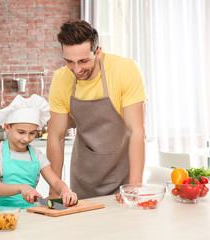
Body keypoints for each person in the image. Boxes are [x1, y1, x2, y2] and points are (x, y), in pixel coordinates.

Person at [47, 20, 147, 202]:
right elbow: (56, 137)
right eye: (69, 62)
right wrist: (54, 191)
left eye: (83, 61)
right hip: (82, 181)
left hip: (123, 180)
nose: (77, 69)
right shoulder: (61, 79)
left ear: (98, 51)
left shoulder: (124, 70)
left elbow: (137, 131)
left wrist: (134, 186)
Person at [0, 94, 77, 211]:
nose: (26, 138)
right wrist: (22, 188)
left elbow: (55, 181)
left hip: (29, 212)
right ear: (7, 127)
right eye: (21, 132)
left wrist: (65, 190)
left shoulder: (37, 156)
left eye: (32, 133)